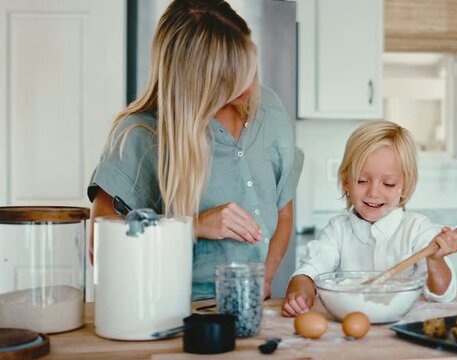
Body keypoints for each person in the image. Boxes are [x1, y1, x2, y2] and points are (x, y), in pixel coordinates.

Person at [88, 0, 303, 301]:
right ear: (192, 82)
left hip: (252, 307)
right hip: (172, 312)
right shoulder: (141, 135)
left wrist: (264, 279)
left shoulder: (269, 107)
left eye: (247, 66)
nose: (247, 86)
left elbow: (284, 211)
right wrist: (192, 226)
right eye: (228, 78)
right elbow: (103, 250)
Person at [281, 120, 457, 317]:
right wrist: (299, 294)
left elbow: (441, 294)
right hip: (349, 332)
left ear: (404, 187)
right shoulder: (337, 230)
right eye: (362, 181)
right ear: (346, 181)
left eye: (388, 184)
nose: (373, 192)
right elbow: (310, 271)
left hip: (403, 331)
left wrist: (435, 260)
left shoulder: (418, 230)